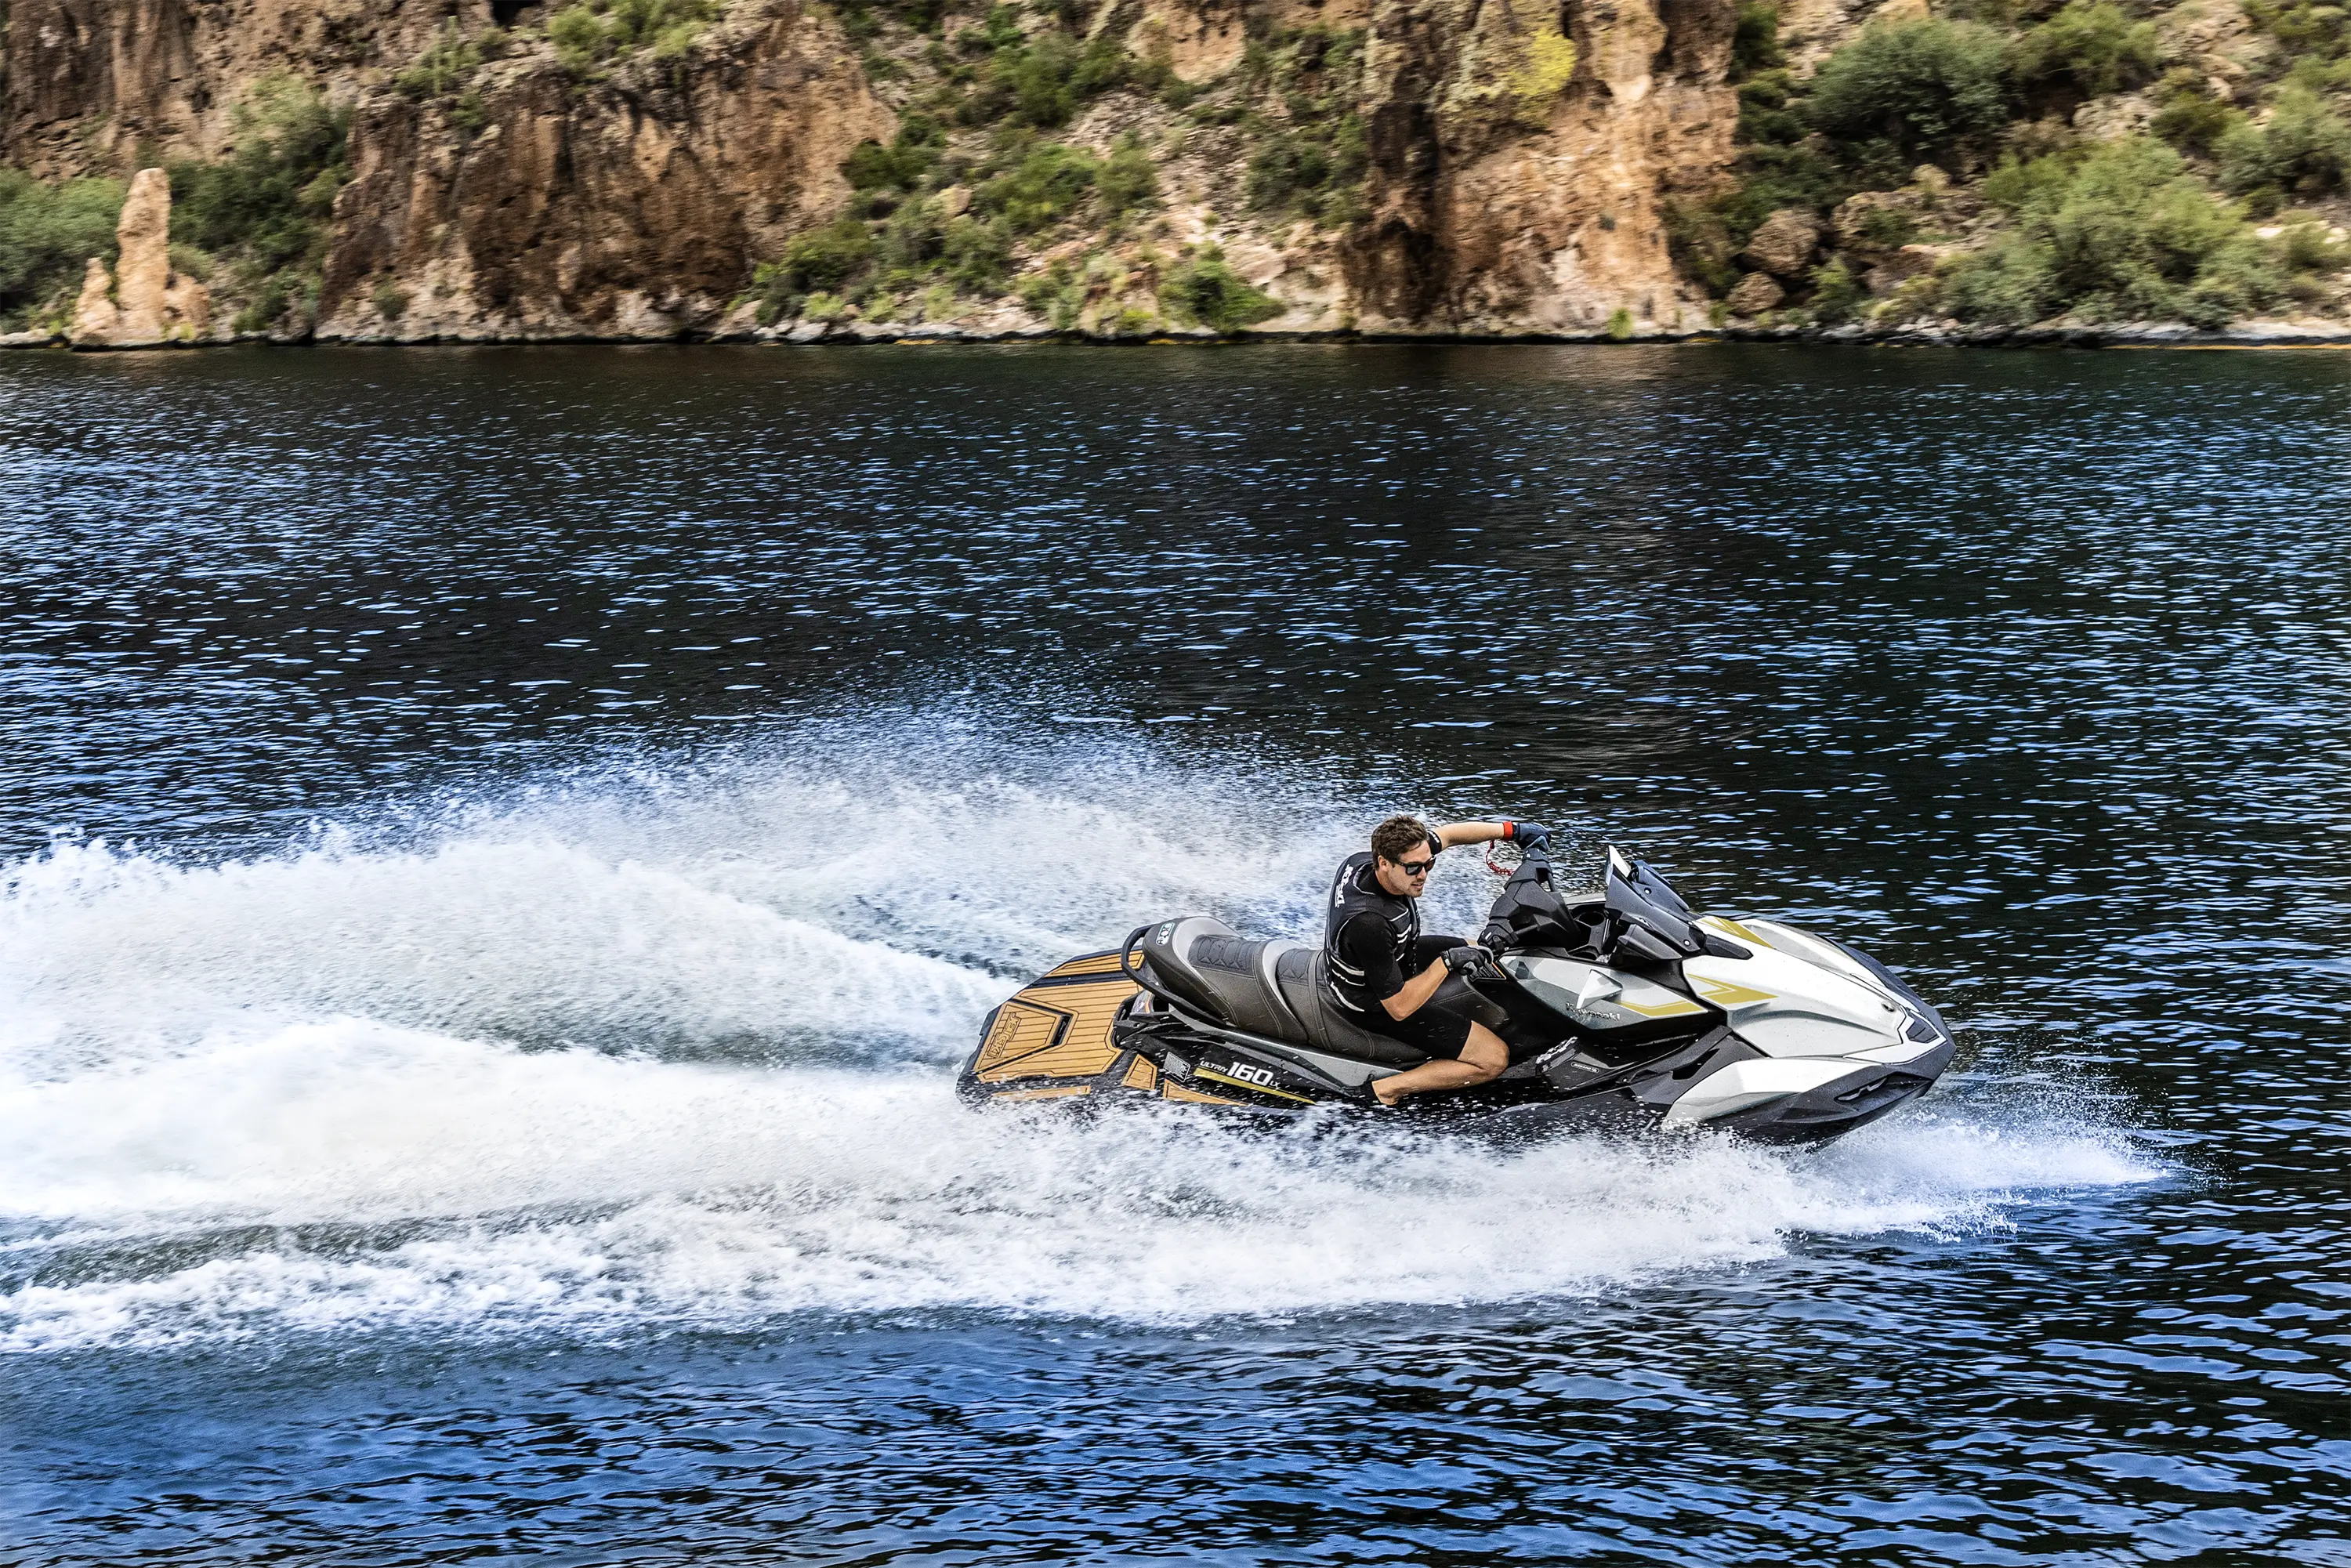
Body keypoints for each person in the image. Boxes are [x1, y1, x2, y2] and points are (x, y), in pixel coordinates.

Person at [1324, 813, 1550, 1106]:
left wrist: (1515, 830)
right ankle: (1386, 1090)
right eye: (1414, 869)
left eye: (1428, 864)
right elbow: (1400, 1008)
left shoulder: (1374, 860)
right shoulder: (1369, 924)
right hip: (1372, 1003)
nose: (1423, 875)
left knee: (1487, 951)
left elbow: (1450, 835)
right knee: (1493, 1058)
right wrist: (1445, 963)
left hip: (1398, 955)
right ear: (1383, 863)